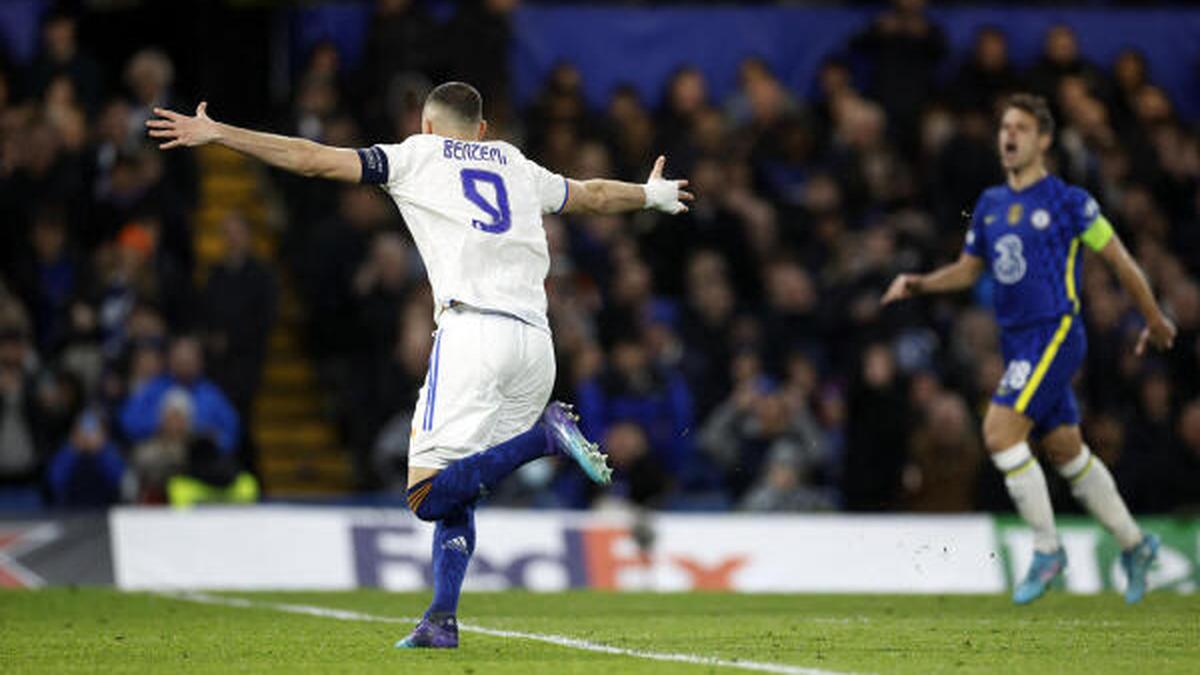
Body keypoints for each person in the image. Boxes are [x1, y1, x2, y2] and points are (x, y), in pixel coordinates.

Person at [147, 81, 691, 647]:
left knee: (426, 494)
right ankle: (441, 619)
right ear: (482, 130)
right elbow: (595, 195)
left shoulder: (415, 155)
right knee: (461, 487)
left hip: (472, 333)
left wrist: (219, 134)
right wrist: (650, 196)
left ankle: (545, 439)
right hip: (536, 342)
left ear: (426, 125)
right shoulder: (514, 162)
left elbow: (310, 160)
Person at [882, 93, 1175, 605]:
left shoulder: (1070, 202)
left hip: (1056, 331)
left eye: (1020, 128)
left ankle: (1047, 549)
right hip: (1018, 341)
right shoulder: (991, 205)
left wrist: (1154, 319)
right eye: (1003, 127)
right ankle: (1136, 543)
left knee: (998, 433)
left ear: (1043, 139)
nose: (1009, 136)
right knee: (1065, 451)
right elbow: (970, 270)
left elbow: (1121, 262)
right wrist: (920, 284)